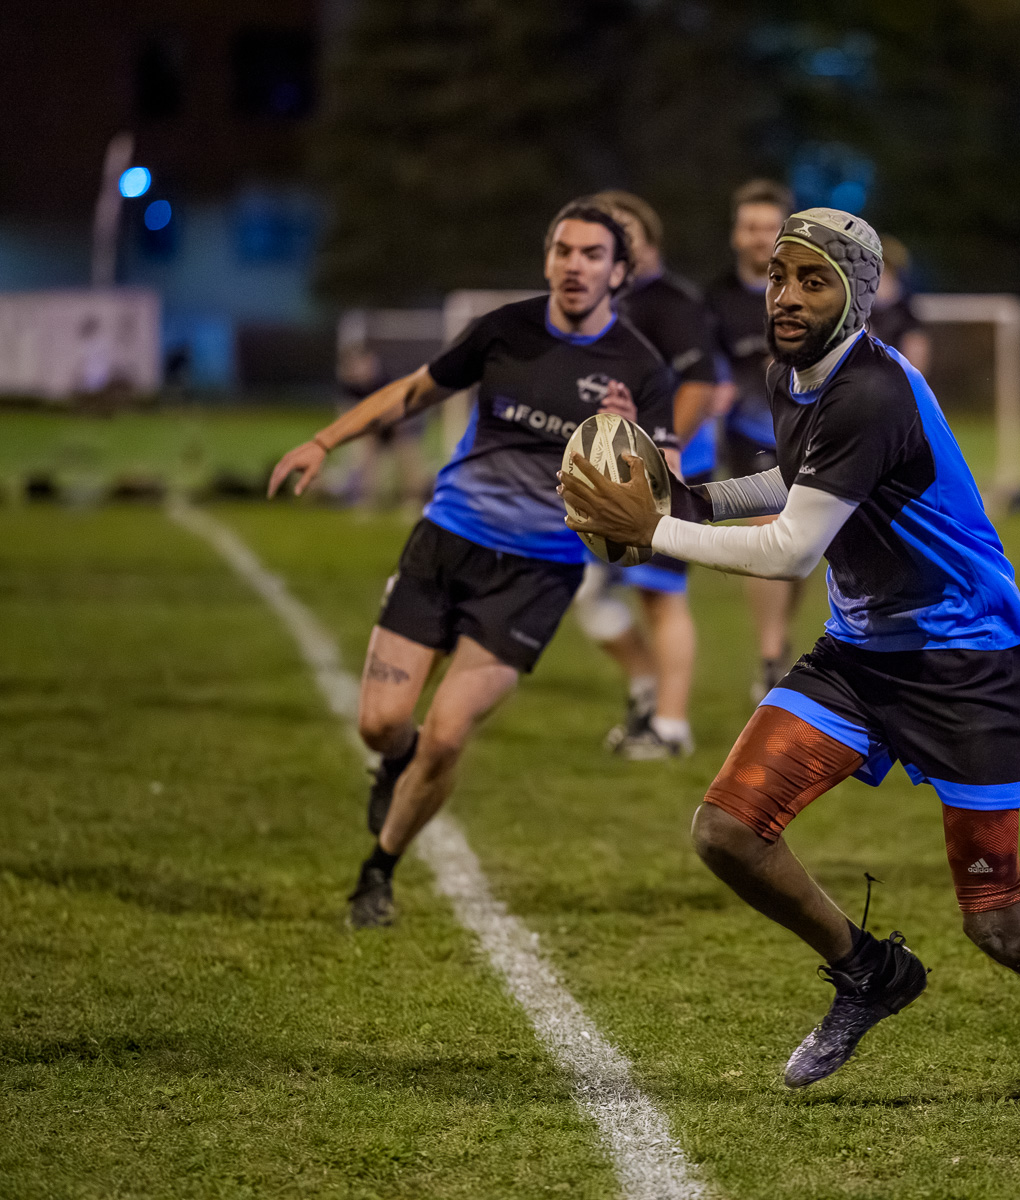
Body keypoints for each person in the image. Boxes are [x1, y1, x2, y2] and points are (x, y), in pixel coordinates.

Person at [563, 207, 1020, 1115]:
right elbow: (795, 477)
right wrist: (694, 497)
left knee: (995, 921)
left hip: (964, 662)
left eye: (814, 280)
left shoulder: (873, 389)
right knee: (728, 830)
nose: (788, 297)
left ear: (860, 294)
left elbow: (795, 547)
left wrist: (658, 529)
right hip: (862, 653)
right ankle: (869, 969)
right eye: (778, 276)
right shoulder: (792, 370)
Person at [266, 201, 678, 927]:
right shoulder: (504, 330)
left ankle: (379, 869)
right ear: (547, 259)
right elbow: (413, 391)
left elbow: (660, 491)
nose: (574, 266)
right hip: (446, 543)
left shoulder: (641, 369)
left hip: (537, 572)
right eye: (563, 251)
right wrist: (324, 443)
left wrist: (633, 435)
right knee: (381, 723)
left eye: (590, 255)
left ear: (619, 272)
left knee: (449, 733)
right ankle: (395, 762)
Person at [570, 190, 719, 759]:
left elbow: (701, 384)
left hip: (669, 470)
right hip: (615, 471)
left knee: (661, 597)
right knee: (585, 591)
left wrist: (660, 454)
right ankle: (644, 690)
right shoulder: (604, 303)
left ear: (648, 239)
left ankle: (672, 727)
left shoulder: (673, 302)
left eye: (624, 230)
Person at [705, 179, 807, 702]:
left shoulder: (811, 286)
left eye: (770, 227)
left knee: (807, 543)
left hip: (812, 432)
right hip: (751, 434)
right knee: (769, 533)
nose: (759, 236)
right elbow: (705, 362)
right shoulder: (716, 298)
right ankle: (771, 659)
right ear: (735, 234)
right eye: (750, 226)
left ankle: (779, 640)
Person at [336, 340, 429, 510]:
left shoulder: (387, 379)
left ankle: (413, 498)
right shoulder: (352, 386)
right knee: (366, 452)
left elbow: (401, 413)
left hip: (405, 420)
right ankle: (366, 498)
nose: (356, 369)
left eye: (359, 363)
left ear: (370, 361)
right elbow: (348, 416)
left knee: (406, 452)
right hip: (376, 424)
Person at [870, 234, 931, 372]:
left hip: (895, 373)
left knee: (916, 342)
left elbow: (916, 343)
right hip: (867, 374)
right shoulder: (858, 313)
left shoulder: (904, 313)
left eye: (886, 273)